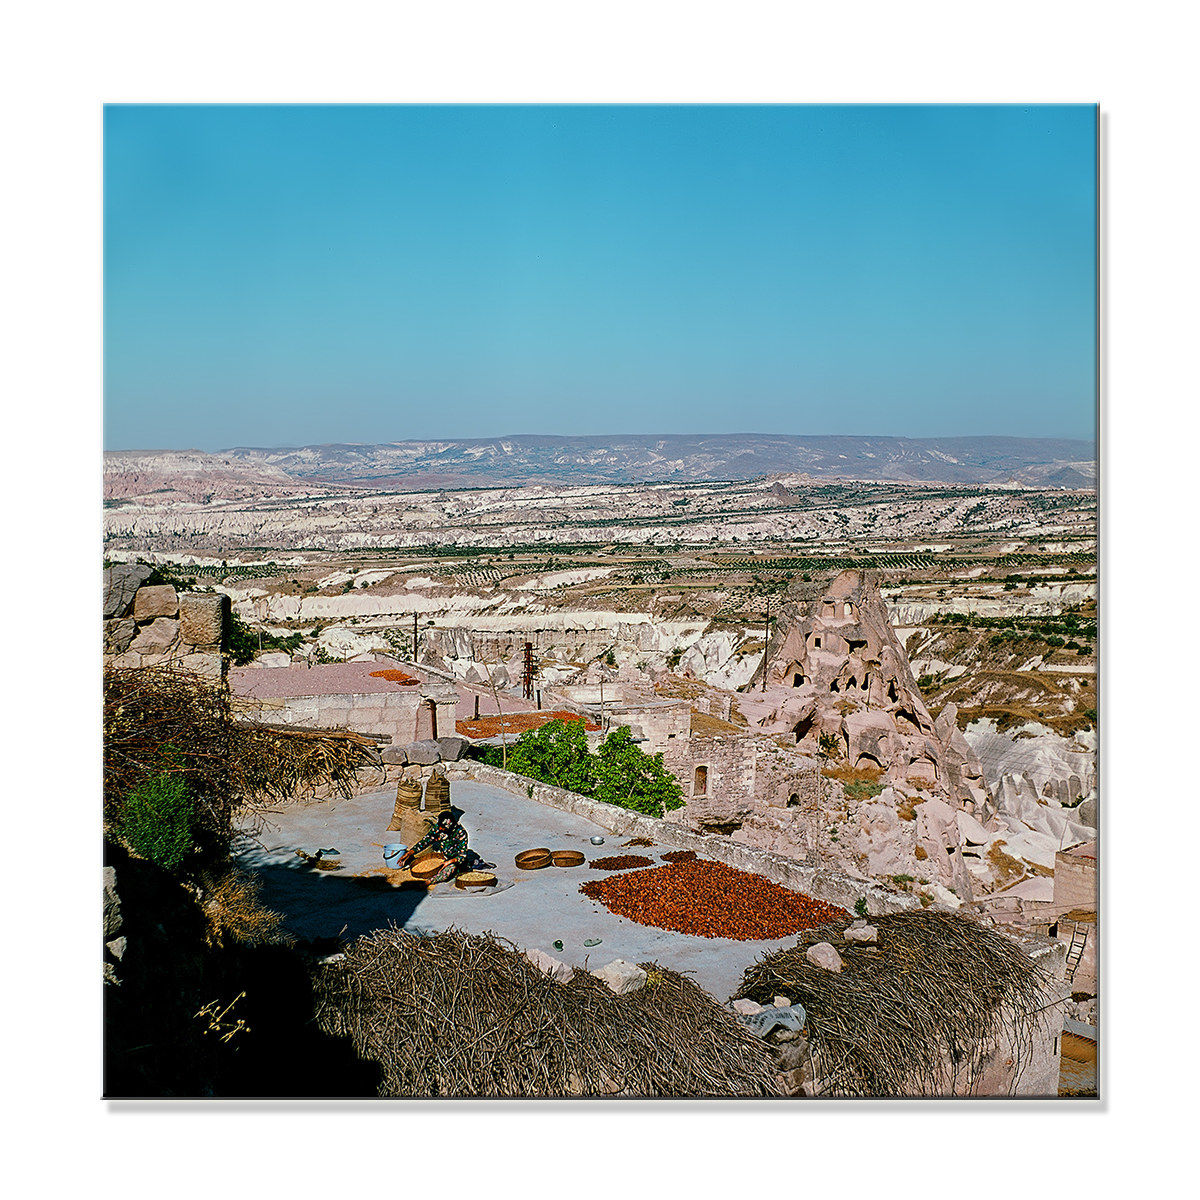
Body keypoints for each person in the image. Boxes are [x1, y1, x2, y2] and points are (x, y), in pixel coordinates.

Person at [399, 810, 469, 883]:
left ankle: (430, 881)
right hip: (443, 857)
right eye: (440, 826)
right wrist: (410, 852)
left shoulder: (460, 833)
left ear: (450, 826)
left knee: (450, 869)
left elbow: (462, 856)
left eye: (443, 827)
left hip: (455, 861)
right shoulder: (439, 828)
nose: (440, 829)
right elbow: (425, 841)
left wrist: (450, 861)